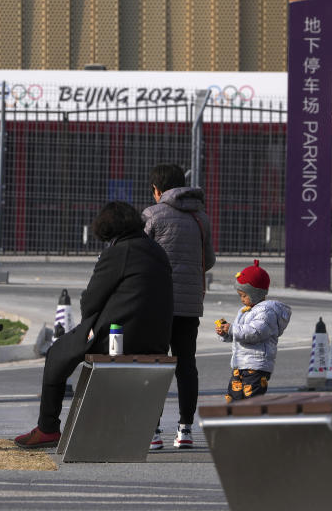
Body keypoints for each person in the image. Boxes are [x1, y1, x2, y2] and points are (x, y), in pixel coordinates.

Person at [14, 201, 174, 448]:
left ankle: (47, 428)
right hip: (157, 339)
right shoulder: (156, 250)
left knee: (57, 353)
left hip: (120, 337)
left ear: (107, 229)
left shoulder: (119, 252)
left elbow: (91, 301)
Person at [142, 163, 215, 450]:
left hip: (157, 303)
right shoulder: (201, 218)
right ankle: (185, 430)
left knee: (154, 365)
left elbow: (141, 253)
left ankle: (153, 430)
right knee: (187, 365)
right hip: (189, 304)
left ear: (157, 190)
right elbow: (207, 261)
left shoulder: (152, 214)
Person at [215, 260, 291, 403]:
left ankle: (250, 423)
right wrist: (226, 333)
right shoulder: (244, 311)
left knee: (251, 399)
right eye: (240, 295)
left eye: (244, 295)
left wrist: (232, 328)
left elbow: (254, 333)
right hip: (241, 363)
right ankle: (235, 423)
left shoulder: (266, 312)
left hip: (256, 365)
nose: (242, 299)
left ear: (256, 293)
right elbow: (240, 334)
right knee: (234, 397)